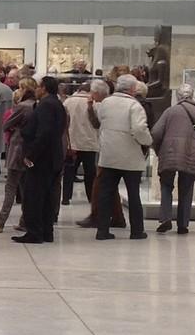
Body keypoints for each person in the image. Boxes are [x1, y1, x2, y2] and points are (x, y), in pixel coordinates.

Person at [151, 83, 195, 235]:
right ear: (192, 96)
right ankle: (183, 224)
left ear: (178, 96)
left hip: (169, 152)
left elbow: (156, 132)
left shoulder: (170, 111)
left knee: (166, 186)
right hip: (191, 153)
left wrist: (159, 150)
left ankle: (165, 218)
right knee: (186, 189)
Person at [94, 75, 152, 241]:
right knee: (133, 194)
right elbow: (139, 129)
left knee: (106, 194)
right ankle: (137, 231)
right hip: (130, 157)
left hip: (108, 154)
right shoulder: (134, 105)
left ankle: (102, 230)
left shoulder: (106, 103)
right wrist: (148, 141)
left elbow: (100, 121)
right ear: (133, 89)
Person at [14, 76, 67, 244]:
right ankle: (46, 231)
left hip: (42, 158)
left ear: (43, 88)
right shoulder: (57, 104)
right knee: (47, 197)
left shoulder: (46, 105)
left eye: (38, 87)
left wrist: (31, 154)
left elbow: (44, 133)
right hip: (52, 156)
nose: (36, 90)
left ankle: (35, 232)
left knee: (34, 196)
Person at [0, 78, 35, 234]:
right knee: (26, 188)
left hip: (17, 150)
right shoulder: (36, 106)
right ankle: (25, 220)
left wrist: (15, 126)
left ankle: (0, 222)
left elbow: (7, 124)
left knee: (11, 188)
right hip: (30, 151)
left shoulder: (22, 107)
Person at [62, 79, 103, 209]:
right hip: (89, 142)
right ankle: (91, 197)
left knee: (69, 171)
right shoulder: (94, 103)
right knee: (90, 172)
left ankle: (66, 197)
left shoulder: (68, 102)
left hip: (72, 142)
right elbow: (97, 123)